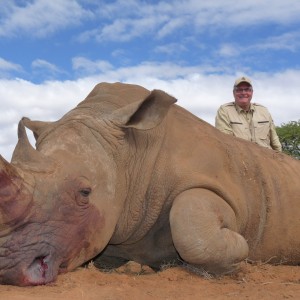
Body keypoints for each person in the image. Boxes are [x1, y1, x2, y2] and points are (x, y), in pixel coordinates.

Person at [215, 76, 282, 151]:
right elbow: (225, 140)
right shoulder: (224, 110)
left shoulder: (263, 111)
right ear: (233, 93)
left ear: (252, 92)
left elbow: (275, 141)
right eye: (239, 90)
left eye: (247, 89)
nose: (243, 93)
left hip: (267, 159)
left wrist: (281, 159)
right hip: (240, 158)